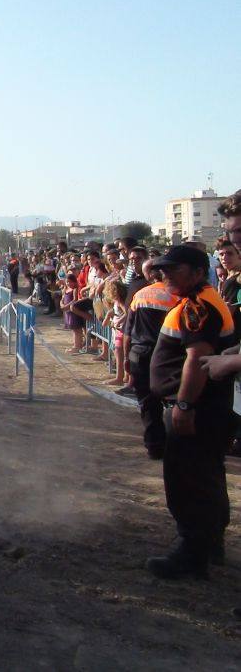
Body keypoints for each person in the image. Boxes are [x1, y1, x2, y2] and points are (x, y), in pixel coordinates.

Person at [144, 245, 236, 579]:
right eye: (162, 269)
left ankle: (191, 554)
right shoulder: (202, 300)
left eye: (173, 269)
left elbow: (196, 359)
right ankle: (210, 544)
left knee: (187, 480)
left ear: (197, 272)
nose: (163, 275)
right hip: (207, 409)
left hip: (196, 410)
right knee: (208, 477)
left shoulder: (198, 306)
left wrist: (184, 405)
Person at [123, 259, 179, 459]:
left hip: (139, 353)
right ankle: (175, 444)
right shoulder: (175, 297)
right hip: (167, 356)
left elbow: (128, 332)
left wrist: (126, 359)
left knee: (147, 403)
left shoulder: (139, 295)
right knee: (174, 401)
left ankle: (154, 446)